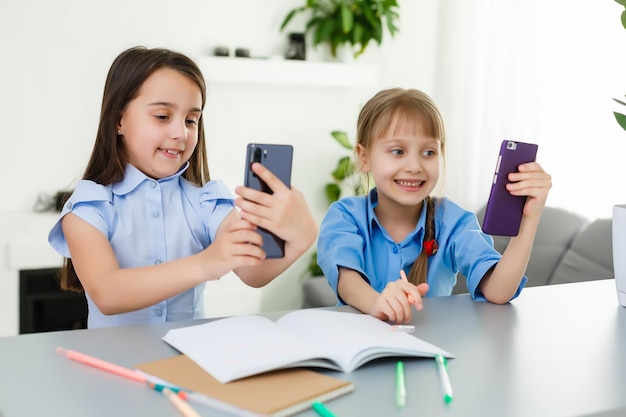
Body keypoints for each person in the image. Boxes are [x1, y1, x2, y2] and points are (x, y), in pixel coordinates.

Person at [48, 46, 317, 328]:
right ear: (118, 121)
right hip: (113, 368)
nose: (181, 133)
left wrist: (303, 236)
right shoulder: (90, 205)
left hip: (187, 364)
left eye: (191, 120)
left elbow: (253, 273)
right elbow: (107, 293)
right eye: (162, 116)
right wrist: (205, 263)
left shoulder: (205, 201)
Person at [317, 88, 552, 324]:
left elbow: (499, 292)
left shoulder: (454, 222)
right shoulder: (345, 216)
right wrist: (377, 303)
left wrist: (529, 218)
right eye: (397, 151)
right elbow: (347, 280)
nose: (414, 166)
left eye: (428, 152)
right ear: (364, 157)